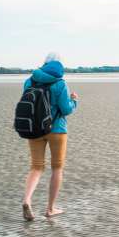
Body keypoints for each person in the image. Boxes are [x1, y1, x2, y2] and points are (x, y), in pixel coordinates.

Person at [20, 52, 78, 221]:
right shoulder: (60, 83)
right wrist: (74, 100)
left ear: (44, 64)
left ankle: (27, 199)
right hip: (57, 129)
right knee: (57, 168)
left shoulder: (29, 81)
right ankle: (50, 209)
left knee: (36, 167)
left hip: (34, 129)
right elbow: (66, 109)